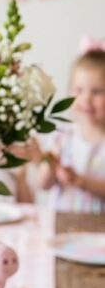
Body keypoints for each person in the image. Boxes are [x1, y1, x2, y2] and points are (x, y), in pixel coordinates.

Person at [36, 41, 105, 212]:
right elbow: (43, 184)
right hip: (63, 230)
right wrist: (48, 164)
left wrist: (80, 181)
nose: (86, 99)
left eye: (97, 91)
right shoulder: (60, 137)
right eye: (78, 90)